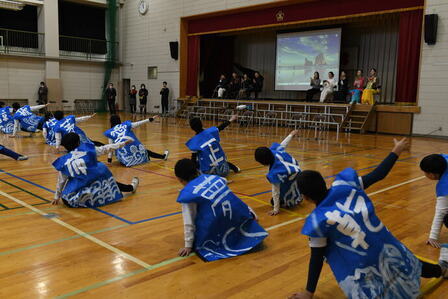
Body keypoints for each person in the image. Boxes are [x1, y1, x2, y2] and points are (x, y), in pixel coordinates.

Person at [290, 138, 448, 299]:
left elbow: (316, 258)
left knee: (369, 287)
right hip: (383, 244)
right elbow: (379, 174)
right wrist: (396, 150)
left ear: (306, 197)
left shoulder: (317, 221)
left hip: (361, 262)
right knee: (410, 262)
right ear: (323, 182)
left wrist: (309, 292)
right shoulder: (345, 186)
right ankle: (442, 270)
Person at [174, 158, 268, 261]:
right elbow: (228, 189)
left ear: (180, 179)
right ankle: (249, 219)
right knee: (228, 198)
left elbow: (189, 222)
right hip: (237, 214)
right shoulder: (213, 178)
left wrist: (188, 245)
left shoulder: (188, 194)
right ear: (197, 170)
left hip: (219, 223)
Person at [52, 133, 139, 208]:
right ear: (78, 142)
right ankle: (131, 187)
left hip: (70, 200)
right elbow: (106, 148)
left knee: (76, 177)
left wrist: (57, 196)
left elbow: (61, 181)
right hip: (95, 191)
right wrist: (124, 143)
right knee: (101, 170)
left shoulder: (64, 161)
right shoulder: (89, 151)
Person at [254, 130, 302, 216]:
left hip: (292, 177)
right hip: (297, 171)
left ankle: (296, 198)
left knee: (275, 201)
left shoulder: (275, 172)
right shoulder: (274, 151)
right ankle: (300, 193)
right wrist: (290, 135)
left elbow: (275, 191)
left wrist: (276, 209)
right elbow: (283, 144)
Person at [104, 114, 169, 167]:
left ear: (111, 122)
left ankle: (126, 160)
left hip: (127, 161)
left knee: (117, 148)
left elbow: (111, 147)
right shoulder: (126, 125)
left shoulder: (110, 132)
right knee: (145, 151)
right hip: (138, 154)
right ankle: (163, 156)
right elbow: (138, 123)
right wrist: (150, 119)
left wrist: (109, 160)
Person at [419, 154, 448, 248]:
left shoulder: (444, 185)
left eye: (425, 173)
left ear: (431, 174)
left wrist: (433, 237)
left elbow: (441, 212)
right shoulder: (445, 159)